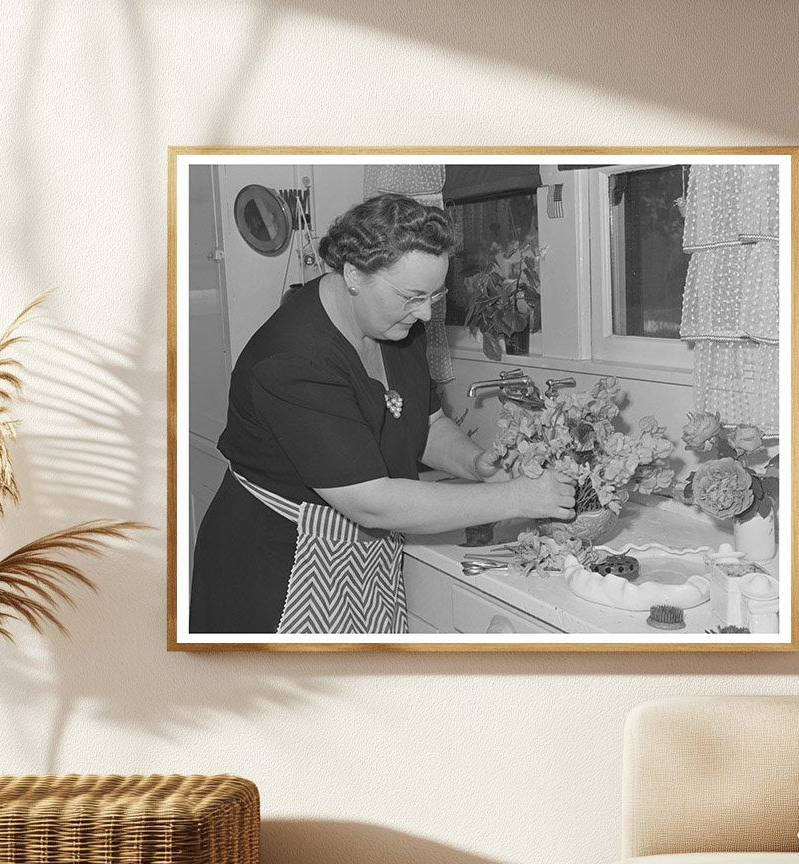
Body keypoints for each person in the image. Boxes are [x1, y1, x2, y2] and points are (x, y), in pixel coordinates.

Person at [190, 193, 573, 635]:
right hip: (275, 566)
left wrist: (474, 464)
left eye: (434, 295)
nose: (426, 312)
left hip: (358, 553)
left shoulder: (396, 326)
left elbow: (425, 423)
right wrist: (520, 497)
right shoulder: (293, 359)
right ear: (354, 273)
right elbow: (372, 502)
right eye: (412, 296)